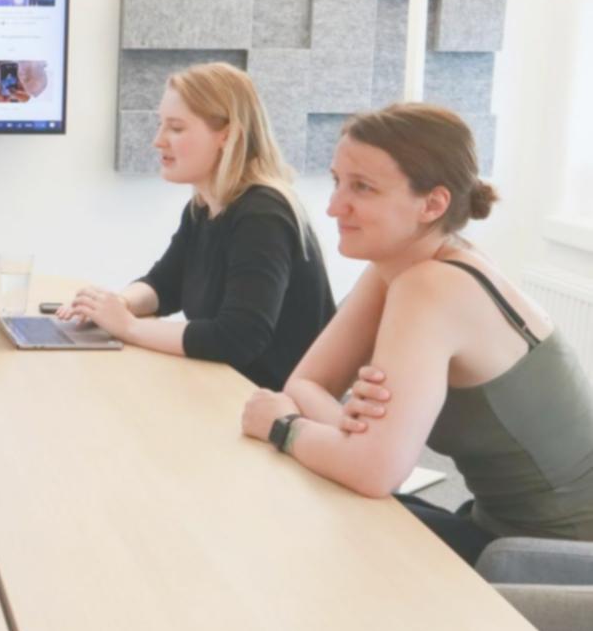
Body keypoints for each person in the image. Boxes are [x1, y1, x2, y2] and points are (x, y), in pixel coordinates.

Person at [241, 104, 593, 563]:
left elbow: (374, 471)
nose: (333, 206)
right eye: (337, 181)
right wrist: (352, 439)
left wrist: (283, 426)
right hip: (495, 527)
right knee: (309, 496)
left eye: (362, 188)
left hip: (555, 559)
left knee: (302, 523)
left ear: (432, 204)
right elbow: (305, 385)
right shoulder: (403, 264)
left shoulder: (432, 286)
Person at [58, 62, 334, 388]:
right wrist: (119, 303)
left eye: (175, 128)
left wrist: (128, 327)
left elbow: (239, 337)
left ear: (227, 136)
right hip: (228, 389)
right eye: (161, 125)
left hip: (271, 405)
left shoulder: (263, 215)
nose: (158, 141)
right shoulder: (203, 207)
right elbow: (165, 286)